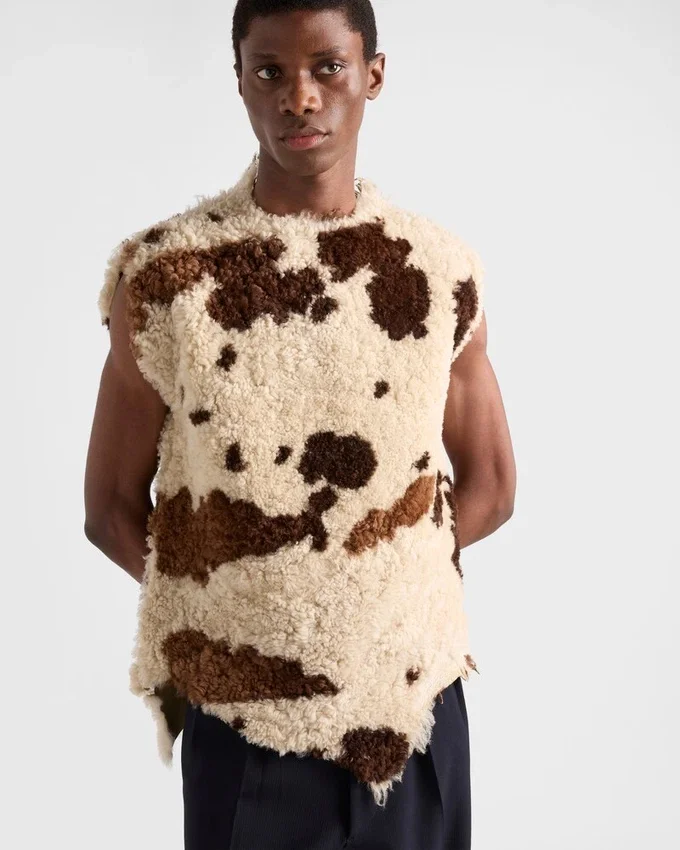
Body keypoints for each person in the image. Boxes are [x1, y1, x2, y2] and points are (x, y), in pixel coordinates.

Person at [84, 1, 516, 848]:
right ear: (240, 81)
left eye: (328, 68)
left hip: (411, 708)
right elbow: (108, 509)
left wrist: (375, 598)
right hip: (247, 729)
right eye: (271, 72)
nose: (300, 97)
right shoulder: (169, 280)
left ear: (373, 76)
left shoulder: (435, 272)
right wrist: (243, 613)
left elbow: (493, 487)